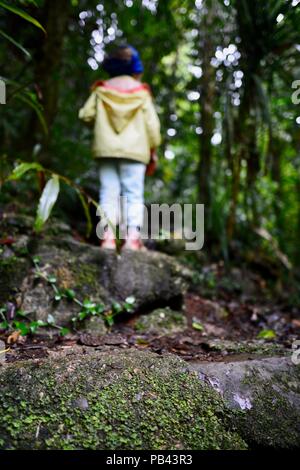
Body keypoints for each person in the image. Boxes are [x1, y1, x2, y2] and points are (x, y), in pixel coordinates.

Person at [79, 45, 161, 250]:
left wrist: (101, 123)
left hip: (106, 149)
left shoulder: (101, 89)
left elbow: (85, 115)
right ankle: (132, 239)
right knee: (133, 194)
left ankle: (107, 237)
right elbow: (153, 127)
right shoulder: (141, 93)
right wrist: (154, 147)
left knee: (108, 192)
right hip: (135, 151)